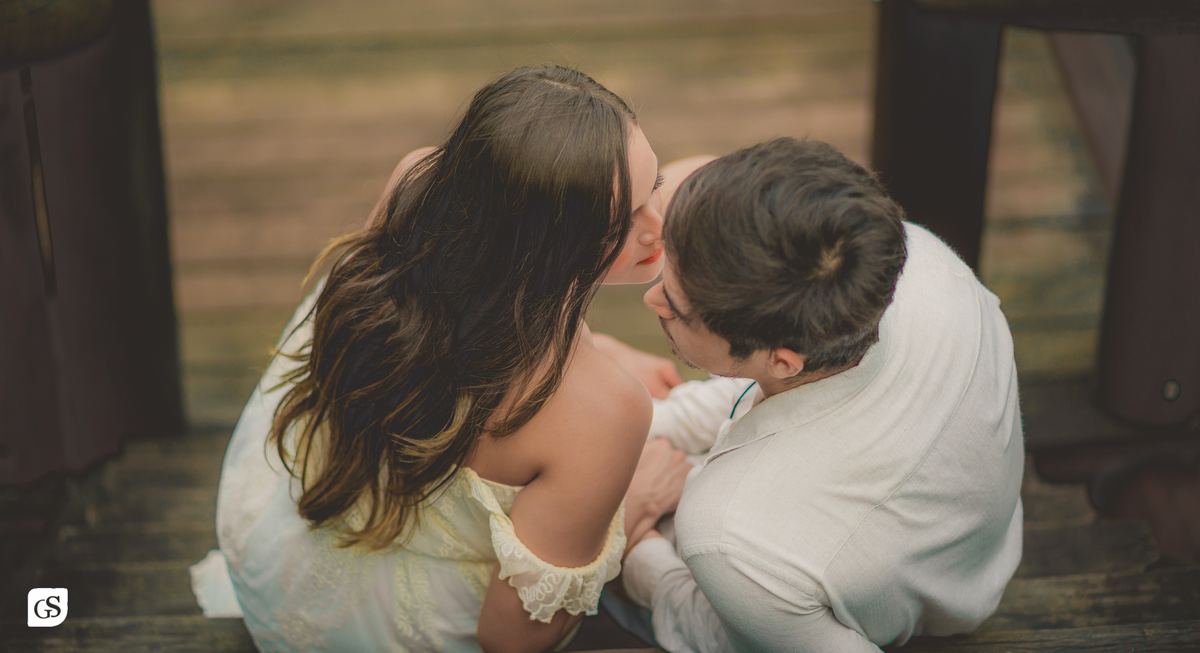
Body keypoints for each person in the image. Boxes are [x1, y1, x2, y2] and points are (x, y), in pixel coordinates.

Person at [195, 65, 695, 653]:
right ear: (542, 244)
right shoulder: (606, 412)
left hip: (295, 529)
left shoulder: (423, 185)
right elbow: (514, 640)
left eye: (655, 184)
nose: (657, 228)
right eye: (619, 221)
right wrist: (631, 507)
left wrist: (599, 350)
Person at [615, 138, 1025, 652]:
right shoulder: (917, 260)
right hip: (969, 537)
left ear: (783, 360)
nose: (652, 297)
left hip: (880, 598)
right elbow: (757, 389)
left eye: (675, 304)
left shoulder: (728, 531)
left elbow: (729, 641)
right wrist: (651, 423)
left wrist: (636, 555)